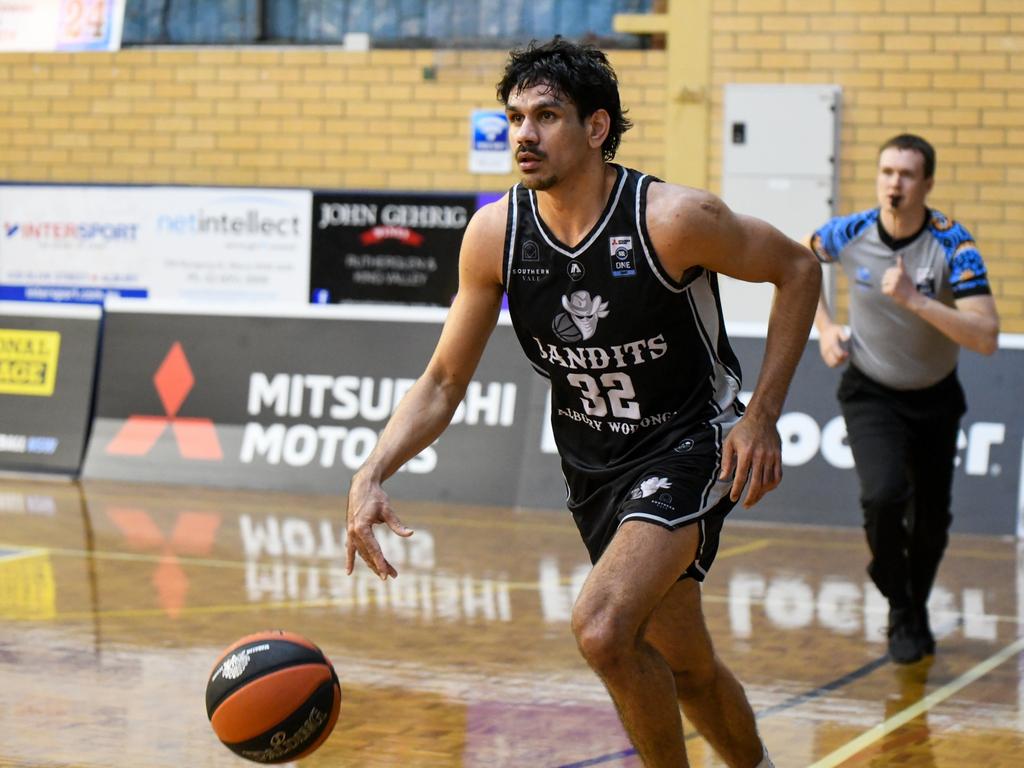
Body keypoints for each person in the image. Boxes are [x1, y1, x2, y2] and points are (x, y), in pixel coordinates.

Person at [345, 37, 820, 768]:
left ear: (596, 128)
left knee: (601, 627)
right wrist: (373, 470)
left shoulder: (673, 218)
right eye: (514, 118)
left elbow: (798, 268)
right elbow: (443, 381)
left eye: (546, 116)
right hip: (595, 468)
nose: (524, 135)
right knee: (685, 662)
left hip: (691, 438)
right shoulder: (496, 235)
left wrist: (761, 416)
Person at [808, 133, 999, 664]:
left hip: (935, 397)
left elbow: (985, 335)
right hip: (871, 390)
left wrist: (916, 301)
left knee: (933, 522)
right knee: (883, 497)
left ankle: (909, 607)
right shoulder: (849, 232)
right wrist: (824, 328)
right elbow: (798, 264)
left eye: (907, 175)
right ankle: (901, 602)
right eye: (887, 172)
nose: (895, 183)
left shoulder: (952, 244)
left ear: (927, 184)